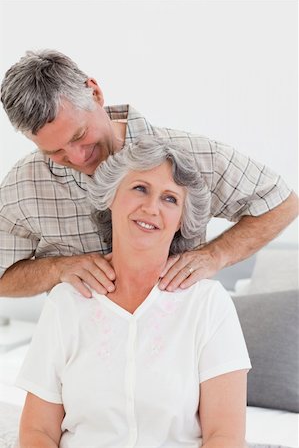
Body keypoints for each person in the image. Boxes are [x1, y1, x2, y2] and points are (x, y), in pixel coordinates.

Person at [0, 49, 297, 299]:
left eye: (80, 135)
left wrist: (214, 255)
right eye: (56, 152)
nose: (77, 157)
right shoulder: (25, 184)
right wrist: (57, 269)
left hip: (176, 337)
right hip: (84, 343)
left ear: (95, 92)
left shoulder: (190, 155)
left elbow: (281, 202)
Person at [16, 137, 251, 448]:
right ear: (111, 196)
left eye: (170, 199)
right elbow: (37, 432)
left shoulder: (207, 303)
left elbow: (225, 437)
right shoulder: (66, 302)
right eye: (140, 188)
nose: (151, 208)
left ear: (181, 220)